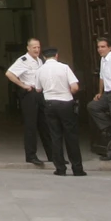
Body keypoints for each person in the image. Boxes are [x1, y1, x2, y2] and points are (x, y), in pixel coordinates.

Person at [37, 46, 84, 176]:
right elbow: (75, 87)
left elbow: (38, 89)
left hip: (50, 104)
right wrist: (68, 92)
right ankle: (77, 168)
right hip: (66, 103)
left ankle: (60, 168)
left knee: (55, 136)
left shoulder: (40, 70)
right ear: (56, 55)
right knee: (71, 136)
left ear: (44, 57)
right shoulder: (64, 67)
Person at [8, 38, 51, 168]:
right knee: (31, 125)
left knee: (45, 124)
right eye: (34, 48)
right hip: (29, 94)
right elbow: (9, 74)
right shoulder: (23, 60)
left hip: (40, 94)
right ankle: (31, 155)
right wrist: (23, 85)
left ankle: (52, 155)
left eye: (38, 47)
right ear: (28, 48)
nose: (37, 50)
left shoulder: (40, 61)